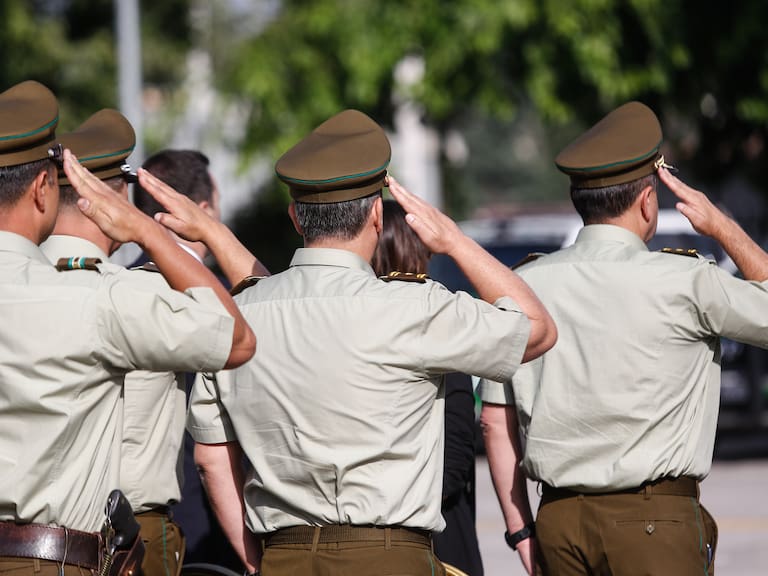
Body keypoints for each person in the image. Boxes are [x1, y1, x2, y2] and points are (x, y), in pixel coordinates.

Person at [150, 108, 557, 576]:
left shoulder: (240, 318)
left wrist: (257, 561)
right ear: (378, 215)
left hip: (285, 555)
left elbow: (211, 459)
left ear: (295, 218)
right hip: (390, 557)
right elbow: (538, 328)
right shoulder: (414, 308)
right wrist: (454, 241)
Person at [479, 101, 768, 576]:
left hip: (559, 522)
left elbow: (494, 422)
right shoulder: (687, 280)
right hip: (655, 522)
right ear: (648, 200)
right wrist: (722, 226)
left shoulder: (524, 286)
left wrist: (522, 532)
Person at [0, 80, 255, 576]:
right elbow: (236, 337)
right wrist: (148, 230)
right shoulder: (98, 296)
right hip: (56, 559)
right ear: (41, 188)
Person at [39, 109, 187, 576]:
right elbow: (239, 330)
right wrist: (159, 234)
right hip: (137, 532)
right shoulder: (150, 294)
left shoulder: (18, 286)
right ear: (111, 199)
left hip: (37, 536)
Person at [132, 149, 260, 572]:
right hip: (222, 533)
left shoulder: (112, 288)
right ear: (200, 211)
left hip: (125, 534)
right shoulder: (231, 304)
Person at [372, 199, 484, 576]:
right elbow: (457, 452)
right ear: (413, 252)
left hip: (406, 533)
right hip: (433, 539)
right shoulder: (436, 323)